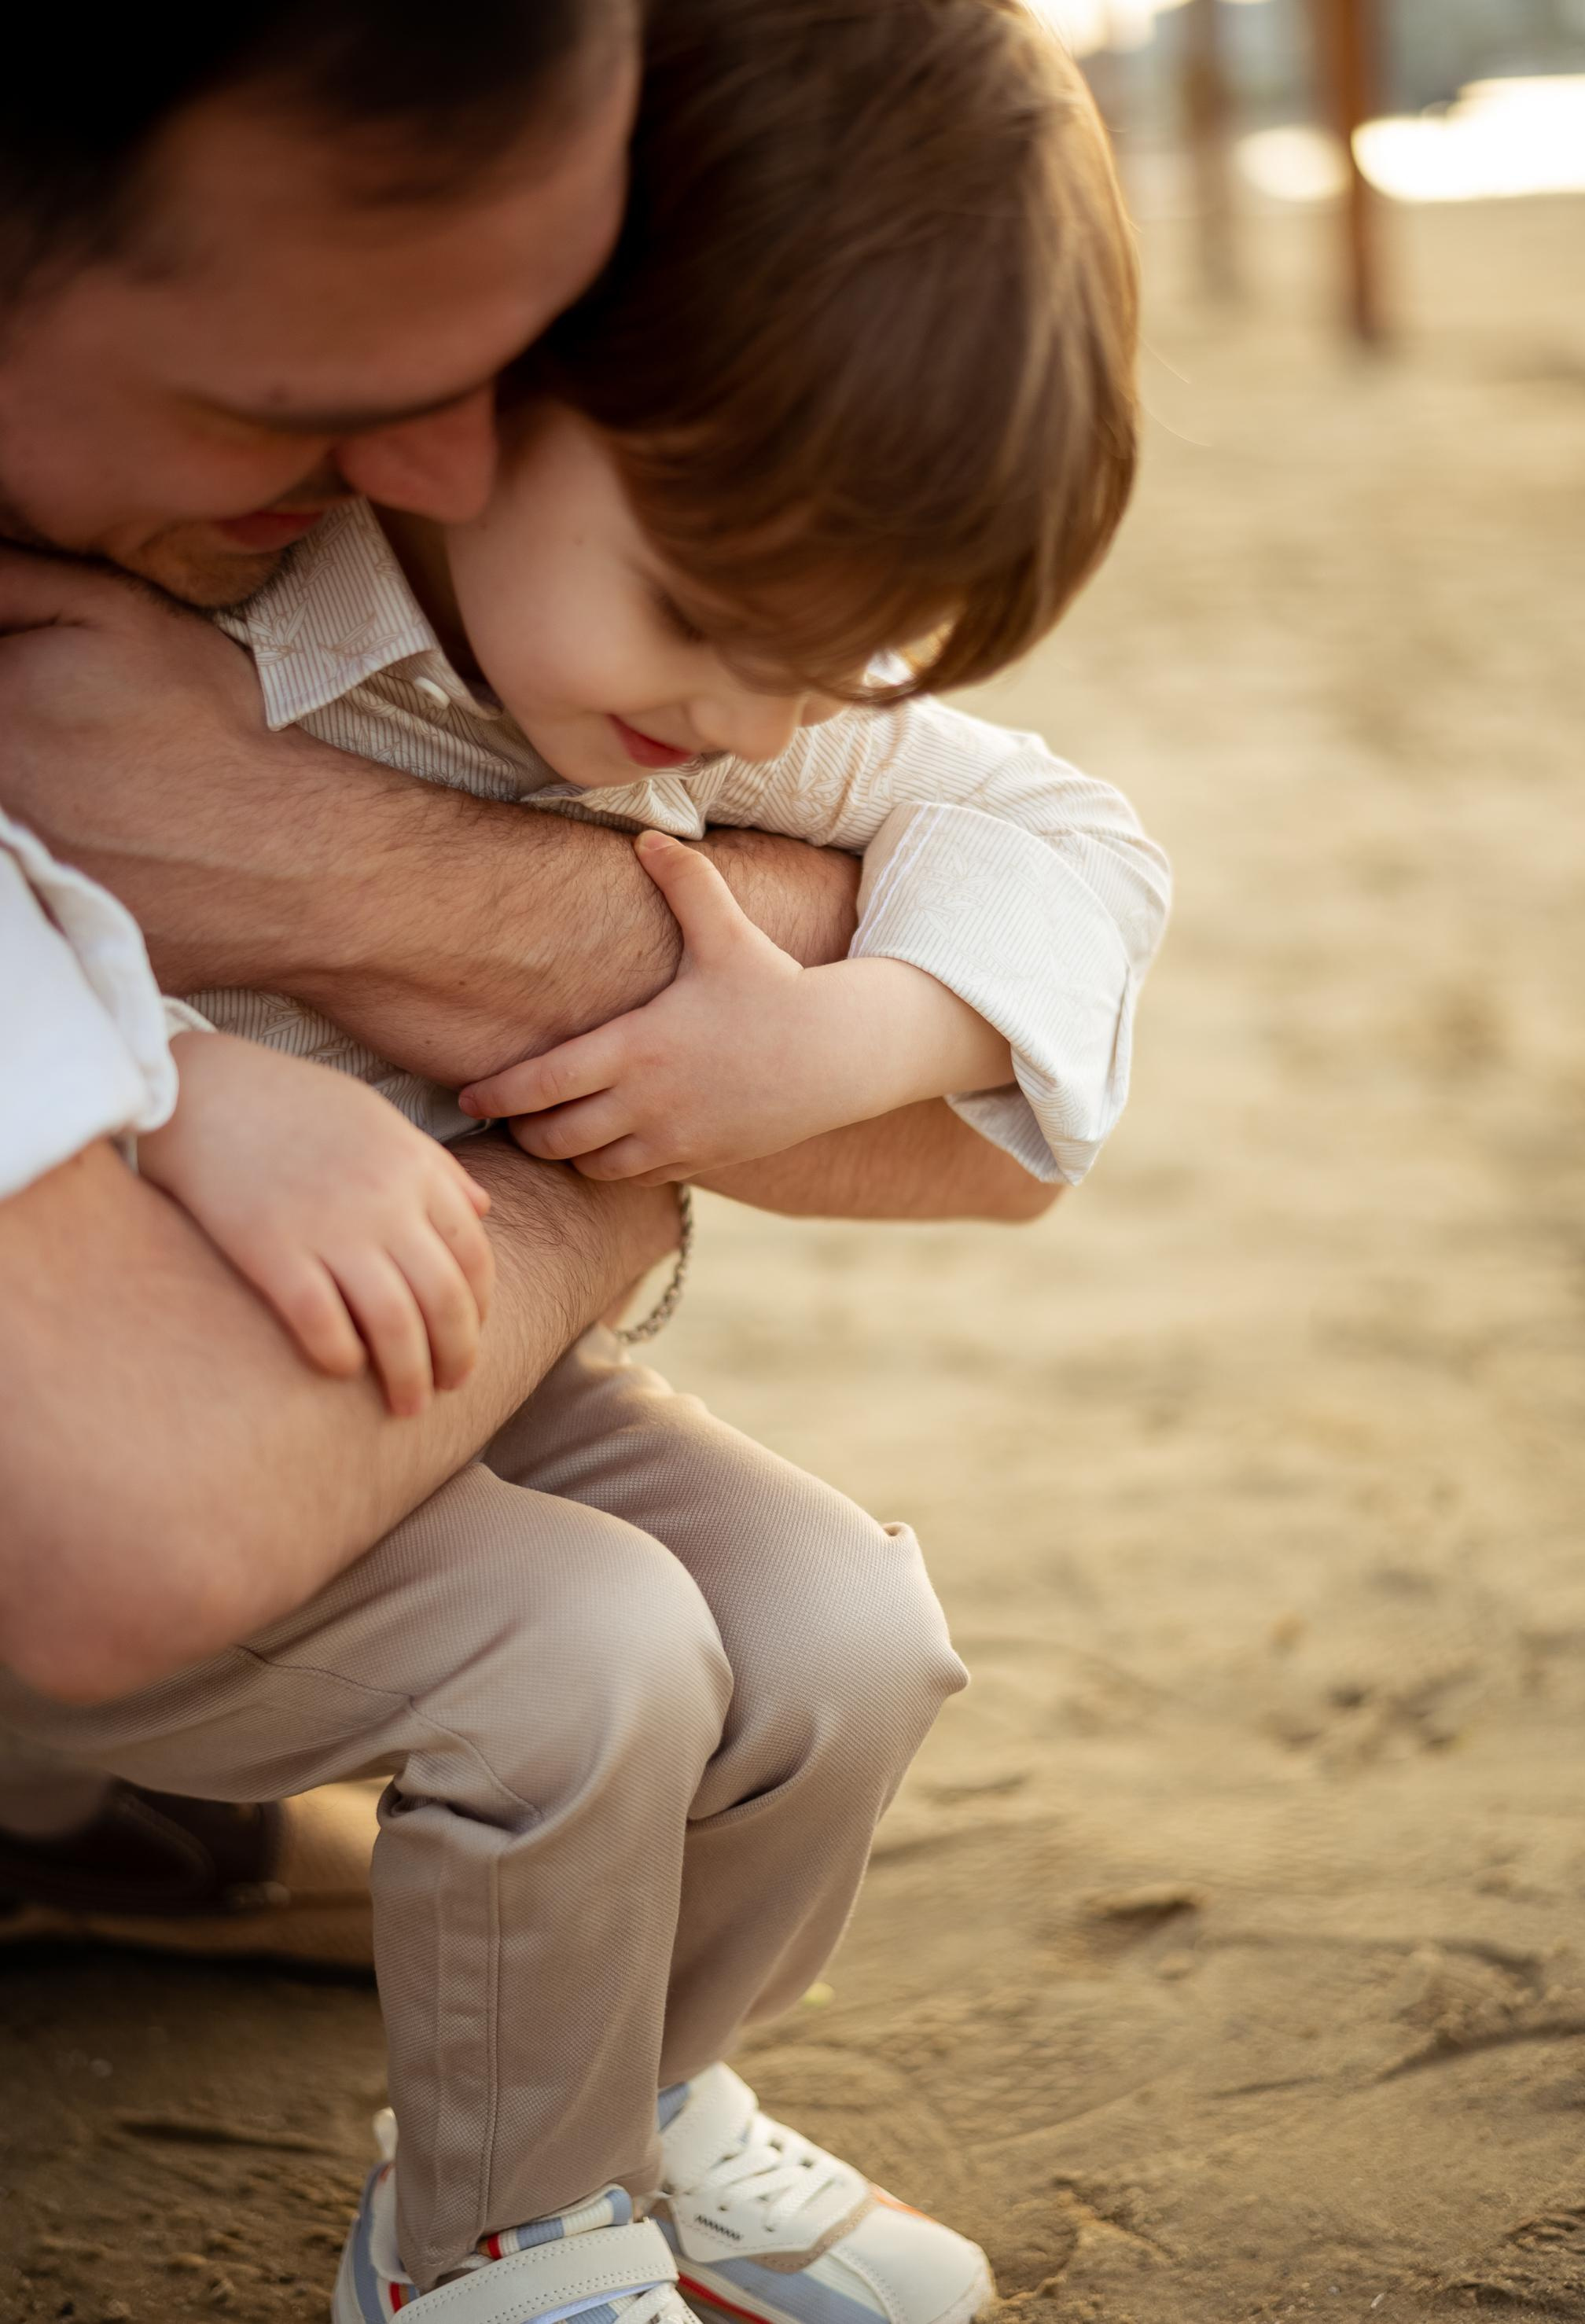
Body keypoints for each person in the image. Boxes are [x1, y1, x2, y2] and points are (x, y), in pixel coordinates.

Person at [2, 3, 1160, 2318]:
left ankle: (646, 2104)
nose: (750, 718)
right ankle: (490, 2234)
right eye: (717, 631)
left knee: (848, 1629)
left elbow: (1045, 878)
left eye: (828, 666)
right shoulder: (186, 597)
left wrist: (843, 1026)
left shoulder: (716, 625)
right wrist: (213, 1095)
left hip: (464, 1354)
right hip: (174, 1362)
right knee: (590, 1651)